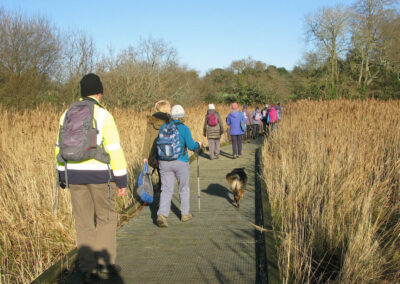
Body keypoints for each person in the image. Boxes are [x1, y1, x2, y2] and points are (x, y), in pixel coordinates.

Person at [55, 73, 127, 282]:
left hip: (74, 176)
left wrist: (62, 174)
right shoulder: (104, 115)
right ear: (99, 92)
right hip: (100, 176)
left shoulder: (66, 113)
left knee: (83, 221)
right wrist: (121, 180)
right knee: (106, 218)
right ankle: (104, 265)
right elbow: (114, 150)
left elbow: (59, 147)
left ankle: (87, 268)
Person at [157, 105, 202, 227]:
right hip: (180, 161)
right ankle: (185, 213)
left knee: (166, 189)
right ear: (182, 116)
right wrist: (198, 144)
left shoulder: (163, 127)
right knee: (183, 188)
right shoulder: (184, 128)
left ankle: (162, 214)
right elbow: (191, 146)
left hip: (164, 162)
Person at [142, 100, 171, 191]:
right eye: (169, 106)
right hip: (167, 153)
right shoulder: (171, 121)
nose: (171, 108)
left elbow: (147, 139)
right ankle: (164, 198)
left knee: (160, 173)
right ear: (166, 108)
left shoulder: (151, 121)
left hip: (154, 153)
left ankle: (161, 190)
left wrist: (145, 155)